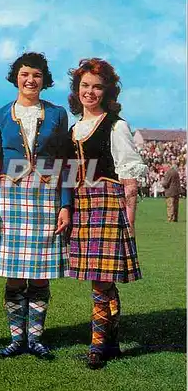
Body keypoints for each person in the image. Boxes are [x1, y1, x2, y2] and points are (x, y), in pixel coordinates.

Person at [65, 58, 147, 369]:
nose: (90, 91)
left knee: (100, 280)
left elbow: (129, 177)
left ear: (107, 91)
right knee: (102, 280)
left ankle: (98, 344)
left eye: (97, 86)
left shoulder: (117, 125)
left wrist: (130, 219)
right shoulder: (73, 129)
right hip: (83, 204)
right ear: (77, 90)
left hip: (108, 203)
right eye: (85, 85)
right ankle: (111, 341)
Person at [0, 52, 70, 360]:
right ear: (16, 77)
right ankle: (15, 338)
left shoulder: (57, 114)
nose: (30, 80)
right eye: (24, 74)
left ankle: (36, 338)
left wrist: (65, 204)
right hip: (9, 198)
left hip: (46, 197)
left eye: (36, 75)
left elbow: (64, 163)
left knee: (39, 273)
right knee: (13, 273)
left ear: (44, 80)